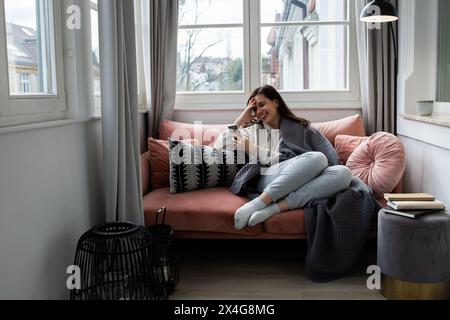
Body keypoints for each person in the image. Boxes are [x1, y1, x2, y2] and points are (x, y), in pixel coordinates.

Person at [214, 85, 353, 230]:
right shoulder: (252, 132)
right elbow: (219, 147)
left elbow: (331, 160)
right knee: (318, 158)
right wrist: (242, 118)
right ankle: (257, 204)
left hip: (302, 177)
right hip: (268, 176)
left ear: (276, 102)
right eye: (254, 109)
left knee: (344, 173)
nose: (259, 111)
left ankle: (272, 209)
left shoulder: (299, 128)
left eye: (262, 104)